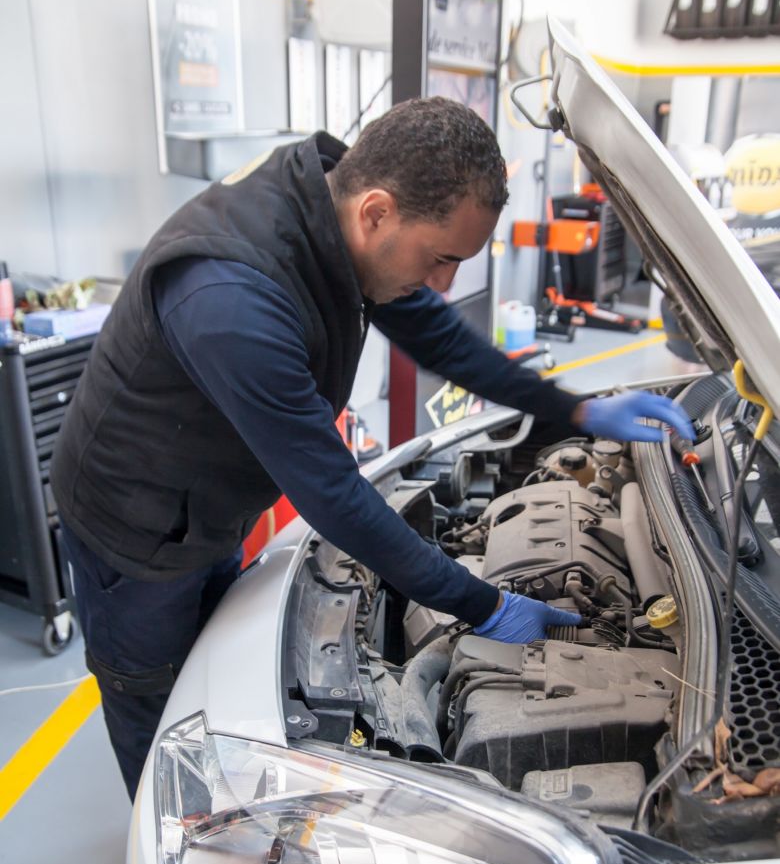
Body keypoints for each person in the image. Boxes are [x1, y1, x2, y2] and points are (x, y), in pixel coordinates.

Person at [51, 97, 694, 800]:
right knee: (156, 707)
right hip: (134, 531)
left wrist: (575, 407)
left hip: (207, 501)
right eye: (442, 259)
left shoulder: (335, 213)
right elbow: (335, 497)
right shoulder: (233, 297)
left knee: (208, 677)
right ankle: (179, 831)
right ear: (378, 212)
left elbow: (444, 340)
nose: (445, 282)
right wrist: (482, 605)